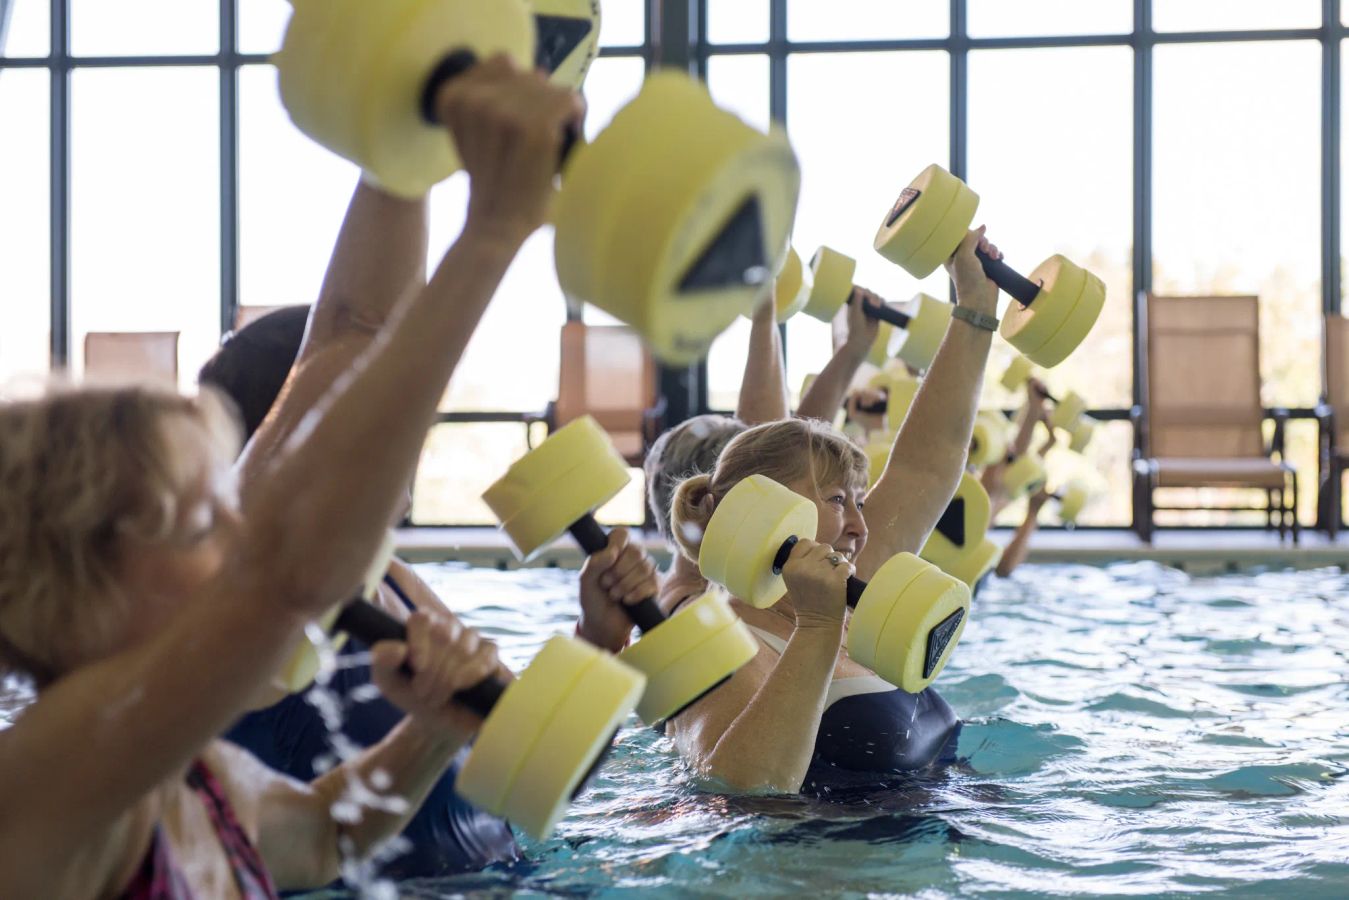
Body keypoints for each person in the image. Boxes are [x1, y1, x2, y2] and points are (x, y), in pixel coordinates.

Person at [0, 55, 583, 897]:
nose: (243, 524)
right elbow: (285, 571)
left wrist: (430, 731)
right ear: (85, 574)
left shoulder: (197, 782)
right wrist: (491, 231)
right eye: (204, 520)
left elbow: (325, 835)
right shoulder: (47, 781)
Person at [660, 230, 1003, 795]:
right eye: (838, 500)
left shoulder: (853, 590)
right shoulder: (709, 641)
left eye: (860, 501)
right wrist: (818, 628)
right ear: (763, 505)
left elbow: (926, 464)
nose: (860, 526)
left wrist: (975, 309)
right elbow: (739, 792)